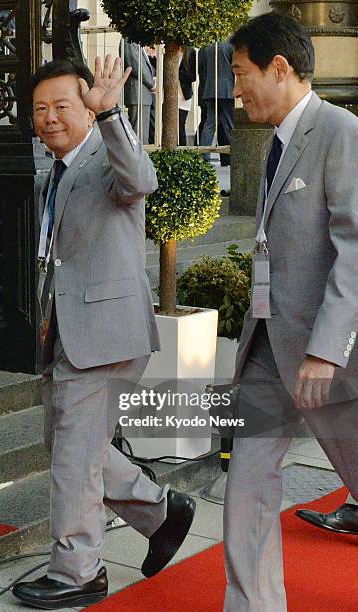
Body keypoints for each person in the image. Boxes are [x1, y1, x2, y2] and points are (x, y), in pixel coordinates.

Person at [11, 55, 196, 610]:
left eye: (62, 106)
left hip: (106, 331)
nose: (49, 118)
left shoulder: (103, 158)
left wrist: (113, 112)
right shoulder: (55, 168)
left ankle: (78, 570)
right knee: (69, 443)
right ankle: (160, 509)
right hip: (66, 331)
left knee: (73, 454)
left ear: (87, 110)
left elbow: (141, 178)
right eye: (40, 109)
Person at [223, 13, 358, 611]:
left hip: (324, 355)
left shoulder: (340, 131)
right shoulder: (275, 139)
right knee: (247, 481)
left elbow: (355, 246)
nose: (235, 89)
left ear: (280, 69)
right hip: (267, 348)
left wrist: (327, 349)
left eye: (240, 73)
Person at [198, 39, 234, 165]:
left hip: (210, 89)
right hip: (226, 89)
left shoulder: (206, 45)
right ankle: (233, 155)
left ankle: (204, 156)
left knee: (210, 123)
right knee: (229, 124)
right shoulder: (230, 44)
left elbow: (201, 69)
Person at [123, 39, 156, 144]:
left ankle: (141, 156)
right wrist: (153, 84)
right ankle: (138, 158)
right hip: (138, 93)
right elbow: (136, 65)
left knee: (142, 132)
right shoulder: (129, 40)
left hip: (143, 93)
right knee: (138, 132)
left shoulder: (136, 41)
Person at [178, 47, 196, 146]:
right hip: (167, 95)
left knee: (180, 125)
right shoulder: (167, 49)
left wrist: (176, 73)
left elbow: (192, 77)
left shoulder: (190, 52)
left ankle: (182, 151)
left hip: (183, 96)